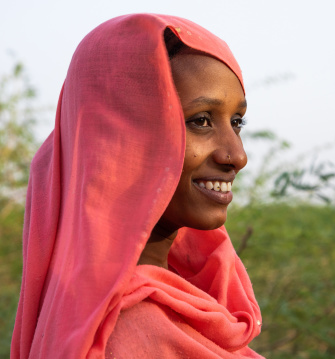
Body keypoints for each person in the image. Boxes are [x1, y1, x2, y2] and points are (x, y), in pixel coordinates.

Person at [11, 14, 263, 359]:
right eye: (200, 121)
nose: (237, 155)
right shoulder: (133, 332)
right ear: (121, 138)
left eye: (236, 122)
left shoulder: (176, 303)